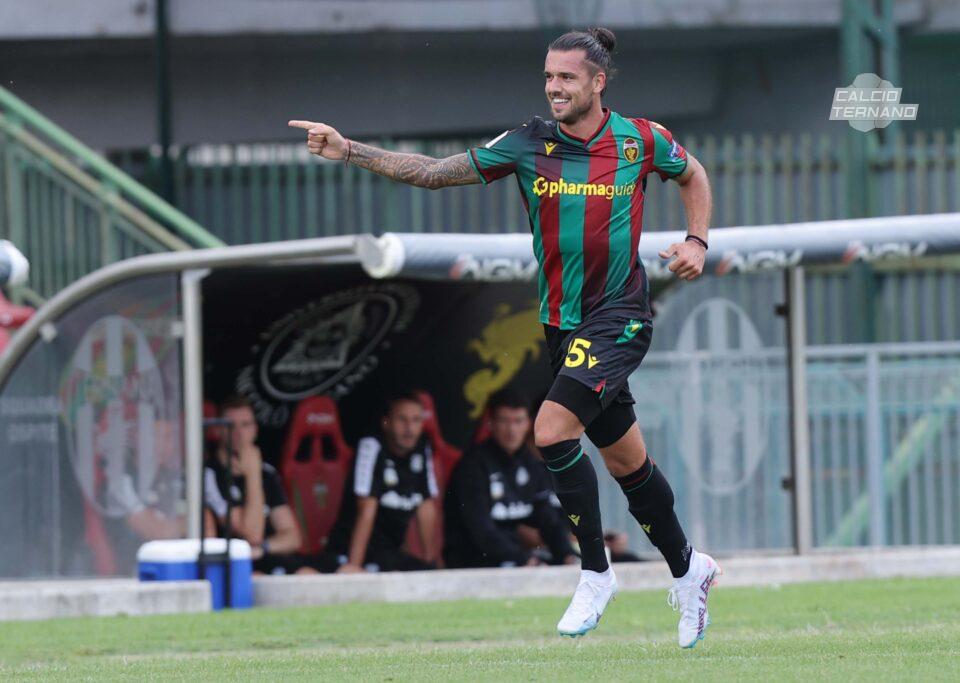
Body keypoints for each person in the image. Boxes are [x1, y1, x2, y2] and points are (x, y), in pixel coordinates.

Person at [288, 26, 719, 648]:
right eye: (548, 77)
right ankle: (689, 568)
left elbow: (692, 173)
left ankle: (595, 572)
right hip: (562, 326)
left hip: (621, 316)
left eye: (567, 77)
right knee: (627, 463)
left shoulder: (639, 140)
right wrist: (349, 149)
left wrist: (698, 241)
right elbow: (435, 173)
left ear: (598, 82)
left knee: (551, 431)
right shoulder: (527, 143)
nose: (554, 88)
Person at [444, 389, 576, 568]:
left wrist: (567, 554)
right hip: (475, 564)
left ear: (528, 424)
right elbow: (481, 531)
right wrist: (524, 560)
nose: (511, 430)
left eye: (518, 421)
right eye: (504, 421)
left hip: (519, 558)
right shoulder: (473, 466)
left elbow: (548, 519)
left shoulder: (530, 463)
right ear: (491, 423)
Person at [325, 391, 439, 573]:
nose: (409, 428)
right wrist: (354, 568)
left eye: (416, 420)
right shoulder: (371, 445)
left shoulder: (422, 446)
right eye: (402, 420)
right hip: (352, 551)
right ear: (386, 422)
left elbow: (425, 506)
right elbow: (366, 510)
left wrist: (431, 562)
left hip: (391, 553)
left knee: (425, 573)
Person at [204, 395, 304, 574]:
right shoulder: (210, 474)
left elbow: (292, 538)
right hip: (237, 565)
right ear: (219, 430)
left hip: (268, 556)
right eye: (231, 425)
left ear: (255, 430)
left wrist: (264, 548)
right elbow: (252, 534)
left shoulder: (268, 473)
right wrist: (252, 475)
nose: (238, 433)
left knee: (307, 574)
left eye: (245, 425)